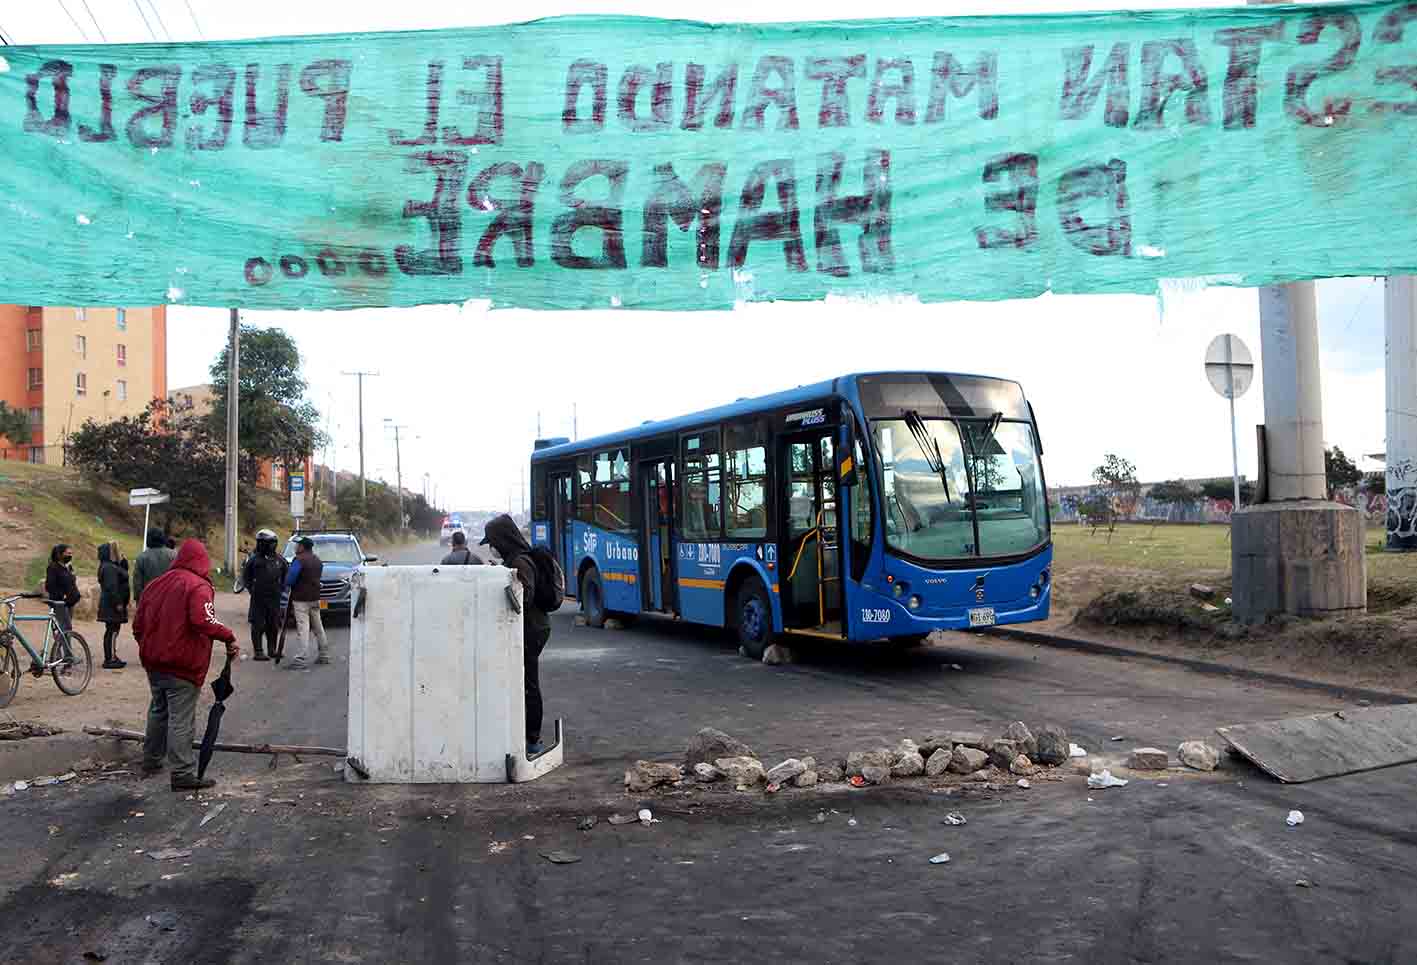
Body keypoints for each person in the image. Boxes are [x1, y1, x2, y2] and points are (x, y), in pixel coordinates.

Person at [132, 539, 238, 792]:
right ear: (201, 561)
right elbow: (204, 621)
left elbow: (138, 625)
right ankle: (182, 773)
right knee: (181, 718)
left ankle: (151, 760)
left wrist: (151, 646)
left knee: (158, 710)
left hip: (154, 662)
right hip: (182, 664)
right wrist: (228, 636)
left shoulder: (155, 585)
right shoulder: (197, 586)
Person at [481, 514, 552, 756]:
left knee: (529, 684)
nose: (492, 548)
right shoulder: (514, 559)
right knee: (520, 682)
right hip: (531, 627)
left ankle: (532, 740)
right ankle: (521, 734)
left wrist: (503, 583)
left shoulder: (521, 562)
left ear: (502, 540)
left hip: (532, 630)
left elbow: (523, 598)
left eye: (492, 542)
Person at [240, 529, 287, 662]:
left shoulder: (279, 560)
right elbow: (246, 577)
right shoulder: (254, 560)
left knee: (273, 624)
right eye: (260, 542)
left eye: (265, 543)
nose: (262, 545)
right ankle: (258, 651)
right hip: (258, 599)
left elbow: (285, 575)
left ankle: (272, 649)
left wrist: (281, 589)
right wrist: (252, 589)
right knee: (257, 624)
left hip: (274, 598)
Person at [283, 536, 328, 670]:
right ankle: (324, 655)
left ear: (303, 547)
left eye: (298, 545)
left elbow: (290, 580)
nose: (296, 547)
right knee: (318, 627)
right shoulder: (317, 560)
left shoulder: (299, 560)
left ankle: (301, 659)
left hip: (301, 600)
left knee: (303, 629)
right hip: (315, 598)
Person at [97, 542, 131, 669]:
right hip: (112, 605)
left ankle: (112, 656)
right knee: (112, 631)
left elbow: (123, 571)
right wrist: (118, 603)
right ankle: (110, 659)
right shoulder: (109, 568)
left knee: (112, 631)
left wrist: (123, 561)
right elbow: (111, 587)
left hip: (111, 604)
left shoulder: (109, 566)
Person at [44, 544, 81, 636]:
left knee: (64, 628)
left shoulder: (67, 567)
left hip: (70, 602)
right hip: (60, 603)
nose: (70, 556)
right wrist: (62, 595)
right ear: (60, 554)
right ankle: (67, 650)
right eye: (68, 553)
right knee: (66, 628)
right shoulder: (53, 567)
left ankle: (59, 649)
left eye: (71, 553)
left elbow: (71, 582)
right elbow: (49, 586)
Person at [133, 528, 176, 606]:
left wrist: (139, 603)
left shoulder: (142, 558)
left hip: (149, 603)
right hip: (169, 602)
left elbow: (137, 584)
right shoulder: (174, 556)